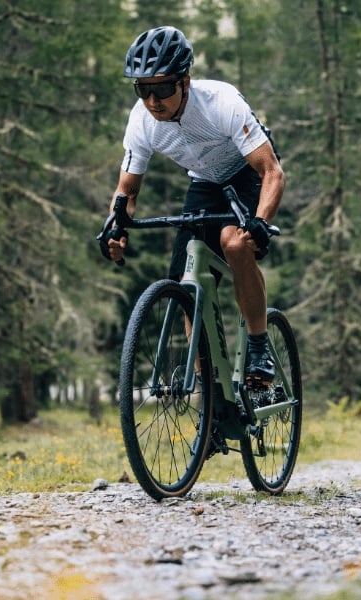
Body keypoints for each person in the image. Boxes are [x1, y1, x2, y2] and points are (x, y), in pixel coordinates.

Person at [98, 25, 285, 386]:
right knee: (187, 280)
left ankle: (259, 347)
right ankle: (211, 392)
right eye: (143, 90)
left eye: (163, 88)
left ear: (185, 80)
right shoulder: (142, 121)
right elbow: (127, 193)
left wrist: (260, 222)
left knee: (234, 242)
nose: (153, 100)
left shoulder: (221, 102)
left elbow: (272, 171)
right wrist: (117, 226)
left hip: (247, 174)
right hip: (204, 183)